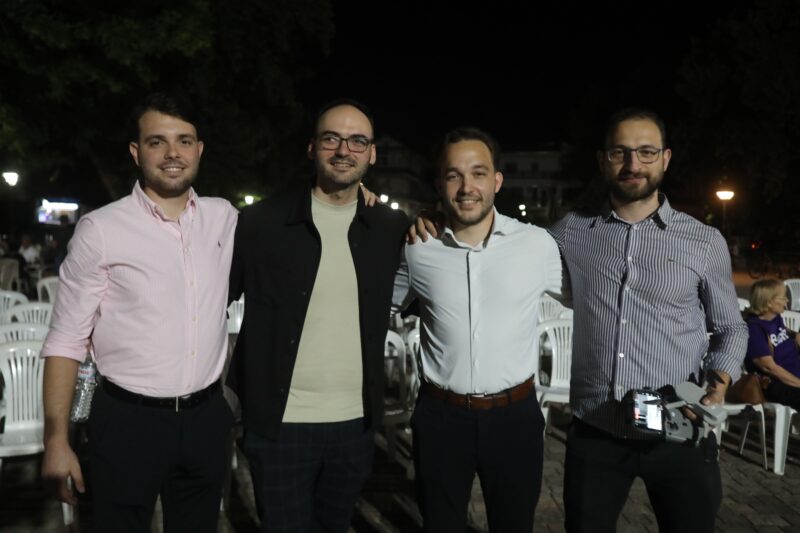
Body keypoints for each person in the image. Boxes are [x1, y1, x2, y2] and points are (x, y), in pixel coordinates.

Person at [41, 93, 238, 532]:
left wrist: (355, 197)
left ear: (199, 149)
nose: (172, 153)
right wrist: (55, 441)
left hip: (206, 416)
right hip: (127, 421)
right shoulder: (101, 229)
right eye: (156, 142)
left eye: (184, 140)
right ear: (136, 151)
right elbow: (66, 339)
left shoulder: (224, 217)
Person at [549, 109, 747, 532]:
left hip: (679, 428)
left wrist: (716, 389)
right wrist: (438, 219)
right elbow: (504, 245)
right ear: (602, 160)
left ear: (666, 158)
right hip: (596, 429)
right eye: (620, 152)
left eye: (646, 152)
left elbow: (731, 328)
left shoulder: (703, 240)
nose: (632, 164)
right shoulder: (571, 233)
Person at [228, 99, 408, 532]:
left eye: (357, 141)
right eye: (332, 138)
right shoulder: (261, 222)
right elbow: (210, 300)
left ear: (372, 154)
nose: (344, 150)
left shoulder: (390, 229)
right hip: (280, 425)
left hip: (355, 426)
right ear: (312, 148)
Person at [392, 128, 560, 532]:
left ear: (497, 180)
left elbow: (591, 301)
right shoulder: (417, 248)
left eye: (478, 173)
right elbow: (378, 304)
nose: (467, 187)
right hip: (440, 417)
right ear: (439, 184)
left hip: (515, 417)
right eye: (454, 175)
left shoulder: (537, 244)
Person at [745, 279, 800, 410]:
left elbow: (781, 333)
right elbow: (769, 367)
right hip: (778, 384)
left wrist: (795, 335)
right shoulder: (754, 330)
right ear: (769, 302)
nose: (787, 301)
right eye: (783, 297)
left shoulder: (775, 318)